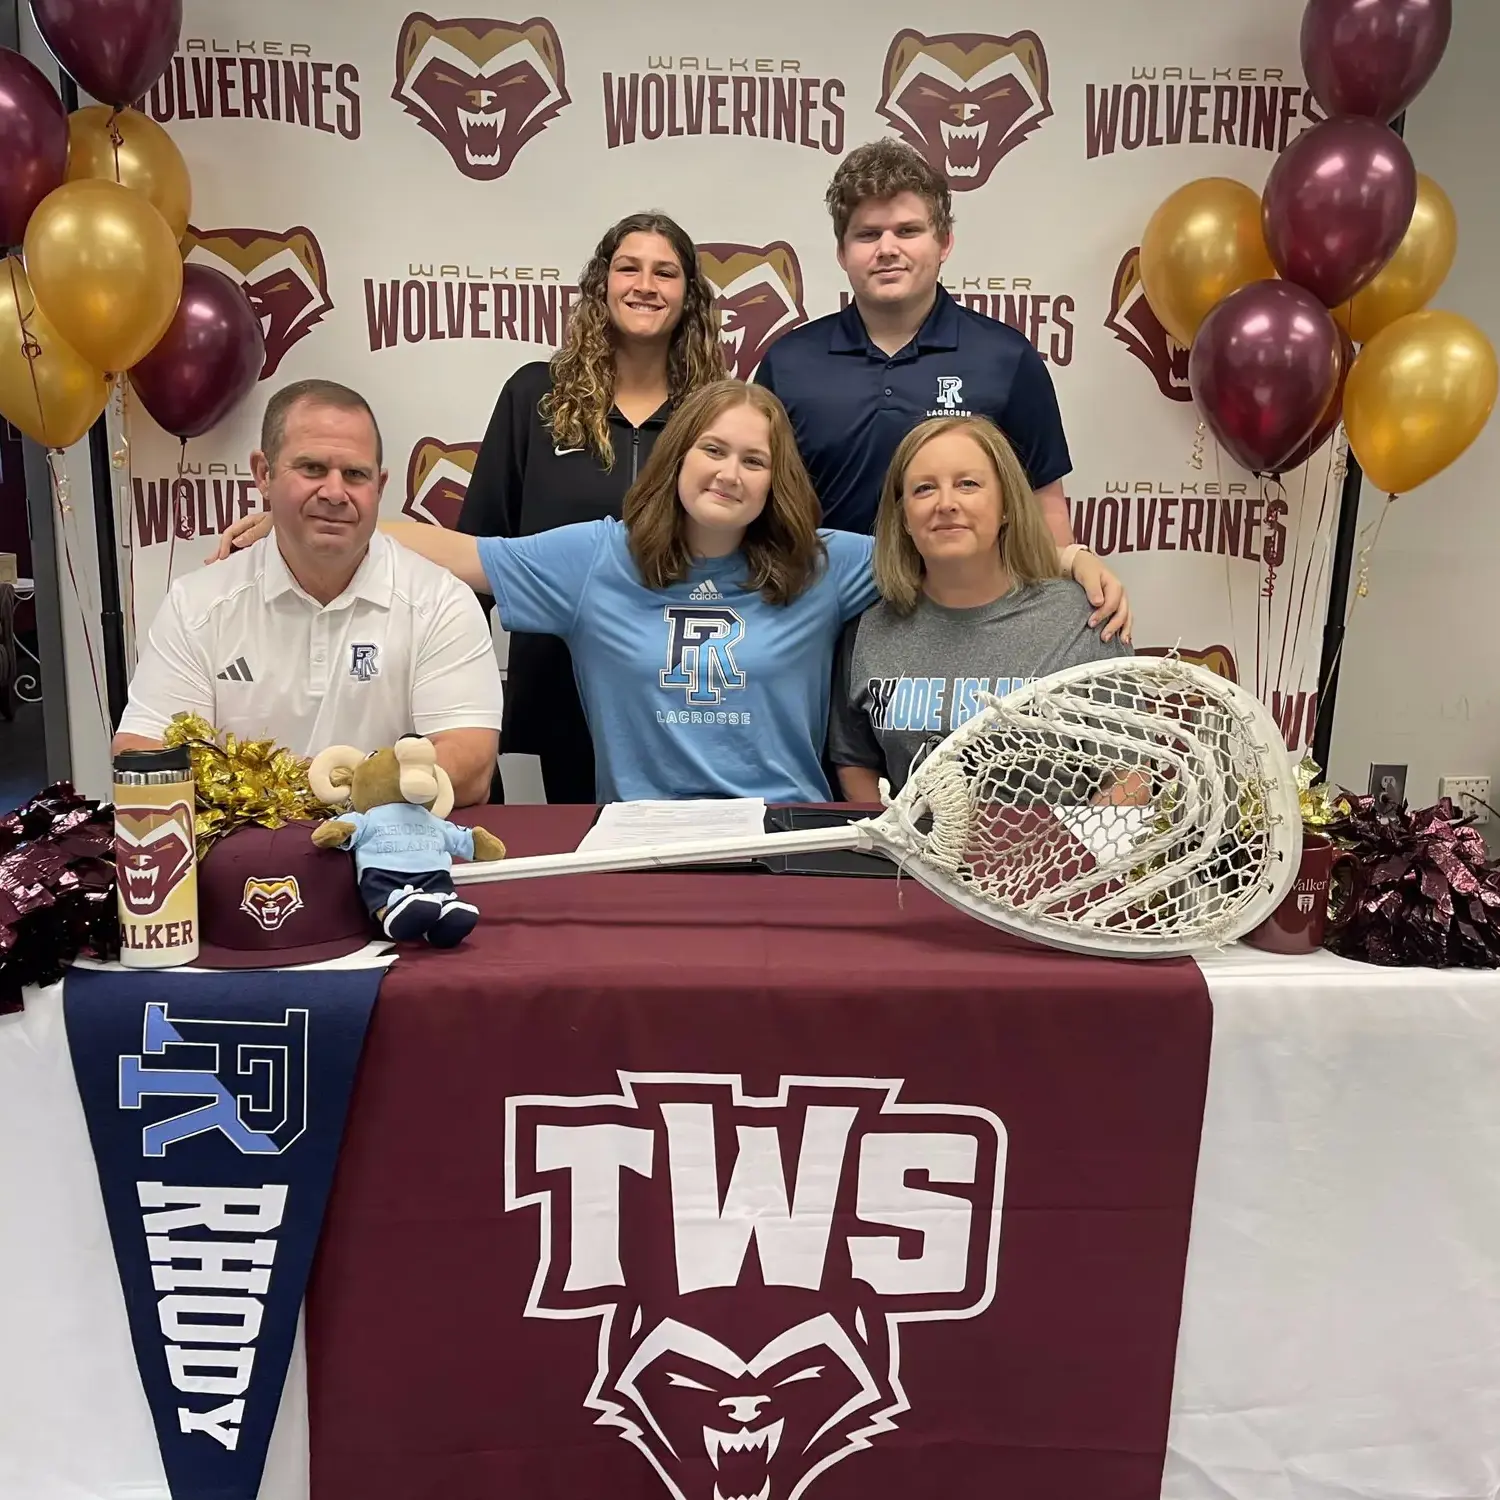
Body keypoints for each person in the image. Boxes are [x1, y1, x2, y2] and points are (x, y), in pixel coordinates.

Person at [217, 382, 1135, 807]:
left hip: (790, 838)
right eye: (712, 450)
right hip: (640, 850)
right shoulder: (593, 560)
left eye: (753, 460)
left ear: (777, 482)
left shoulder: (824, 563)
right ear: (677, 457)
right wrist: (313, 522)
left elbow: (949, 539)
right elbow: (457, 552)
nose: (729, 474)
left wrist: (1077, 561)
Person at [755, 139, 1130, 639]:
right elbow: (760, 508)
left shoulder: (1005, 357)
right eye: (868, 234)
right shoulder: (789, 362)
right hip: (820, 628)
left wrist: (1066, 583)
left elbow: (1042, 504)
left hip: (969, 632)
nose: (888, 248)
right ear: (842, 252)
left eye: (908, 230)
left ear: (944, 242)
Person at [115, 379, 503, 807]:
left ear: (380, 485)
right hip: (241, 862)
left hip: (391, 865)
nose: (335, 493)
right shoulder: (198, 605)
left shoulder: (441, 602)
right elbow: (142, 755)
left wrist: (315, 789)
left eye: (355, 474)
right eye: (313, 469)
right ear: (264, 474)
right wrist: (307, 792)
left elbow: (470, 767)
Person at [457, 212, 727, 803]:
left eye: (666, 272)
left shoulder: (716, 415)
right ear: (601, 283)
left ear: (690, 298)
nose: (645, 285)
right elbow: (479, 540)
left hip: (680, 690)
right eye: (628, 268)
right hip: (557, 683)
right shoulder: (536, 396)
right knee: (572, 864)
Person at [830, 415, 1134, 803]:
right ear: (904, 516)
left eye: (967, 484)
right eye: (924, 489)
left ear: (1006, 505)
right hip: (907, 860)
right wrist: (888, 846)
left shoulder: (1083, 619)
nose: (946, 504)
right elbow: (854, 760)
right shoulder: (869, 629)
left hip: (1054, 859)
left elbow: (1130, 774)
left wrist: (1072, 856)